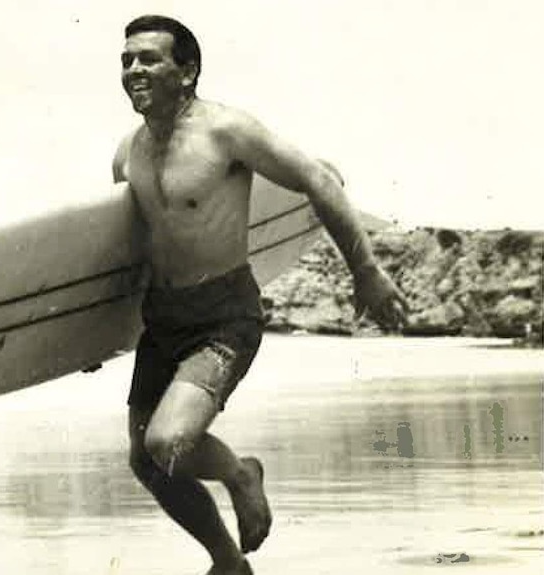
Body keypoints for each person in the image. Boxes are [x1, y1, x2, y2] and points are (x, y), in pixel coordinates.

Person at [112, 15, 409, 575]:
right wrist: (91, 338)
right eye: (126, 61)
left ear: (188, 71)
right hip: (162, 317)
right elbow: (132, 255)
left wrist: (365, 270)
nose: (133, 71)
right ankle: (228, 562)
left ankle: (241, 473)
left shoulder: (227, 132)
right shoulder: (125, 155)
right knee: (147, 461)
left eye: (149, 59)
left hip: (223, 315)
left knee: (168, 442)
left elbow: (318, 179)